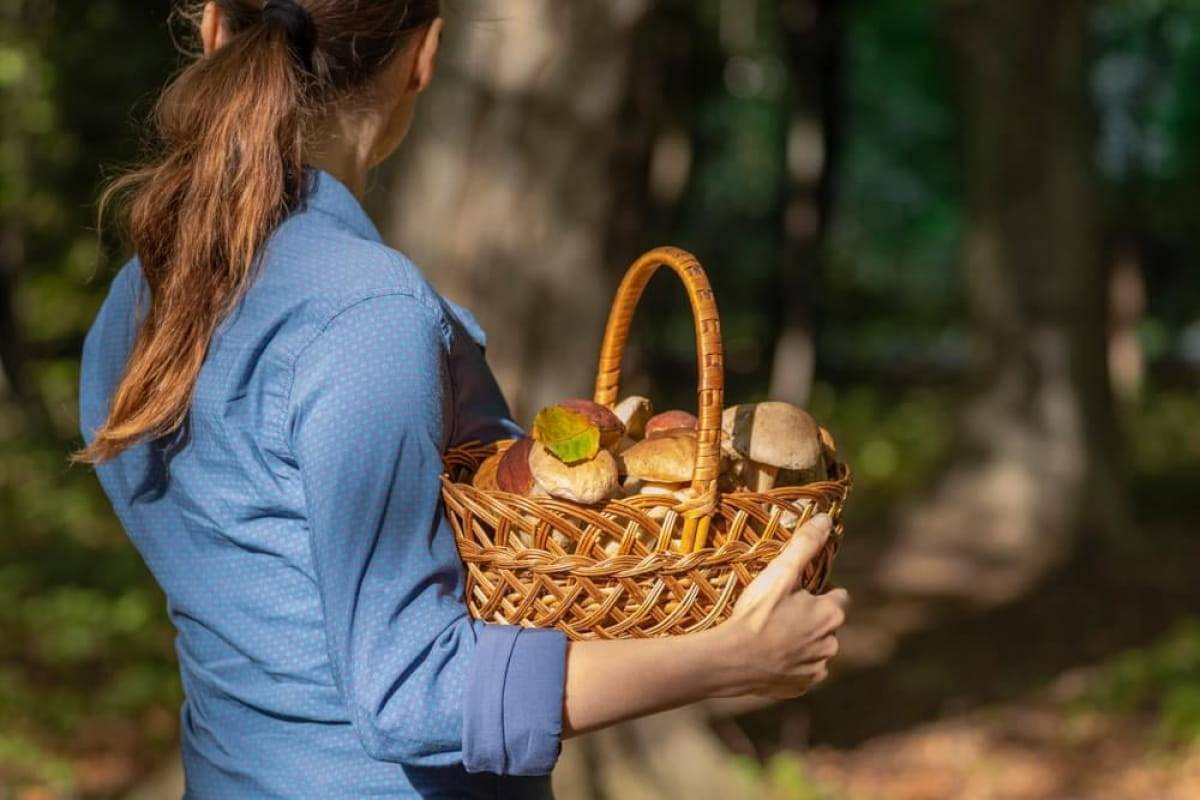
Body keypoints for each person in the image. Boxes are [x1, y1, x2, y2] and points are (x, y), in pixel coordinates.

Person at [76, 2, 850, 797]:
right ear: (425, 55)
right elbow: (411, 690)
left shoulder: (138, 302)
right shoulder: (366, 312)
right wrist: (729, 657)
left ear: (211, 29)